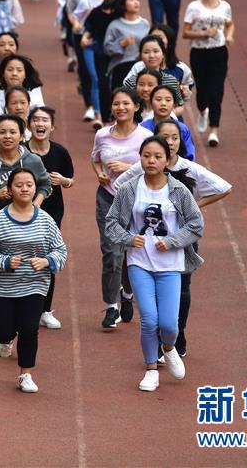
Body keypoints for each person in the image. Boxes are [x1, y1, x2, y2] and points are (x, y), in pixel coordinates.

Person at [114, 118, 231, 357]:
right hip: (144, 248)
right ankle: (154, 347)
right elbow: (119, 187)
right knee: (150, 305)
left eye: (175, 137)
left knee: (182, 289)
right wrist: (129, 226)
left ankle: (176, 336)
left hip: (180, 239)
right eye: (165, 137)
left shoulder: (187, 170)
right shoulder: (144, 166)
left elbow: (224, 187)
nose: (170, 141)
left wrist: (194, 207)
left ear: (180, 141)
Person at [105, 135, 204, 391]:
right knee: (149, 320)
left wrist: (172, 241)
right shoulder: (129, 189)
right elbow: (111, 221)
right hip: (139, 263)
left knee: (169, 324)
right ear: (140, 158)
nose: (151, 161)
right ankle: (151, 369)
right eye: (146, 155)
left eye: (157, 156)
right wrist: (128, 238)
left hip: (170, 265)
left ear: (167, 160)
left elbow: (196, 224)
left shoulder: (179, 191)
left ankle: (169, 348)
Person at [0, 168, 67, 392]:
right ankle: (2, 340)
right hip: (2, 287)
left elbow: (61, 250)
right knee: (4, 330)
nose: (25, 188)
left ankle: (25, 374)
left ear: (35, 188)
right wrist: (5, 261)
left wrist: (46, 261)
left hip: (34, 284)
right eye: (19, 185)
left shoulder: (45, 220)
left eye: (29, 184)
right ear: (9, 190)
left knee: (29, 329)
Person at [91, 87, 152, 329]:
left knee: (130, 252)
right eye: (116, 103)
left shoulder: (145, 136)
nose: (120, 108)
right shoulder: (102, 135)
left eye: (126, 103)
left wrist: (127, 167)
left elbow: (154, 166)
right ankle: (110, 306)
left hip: (136, 201)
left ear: (136, 106)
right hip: (107, 199)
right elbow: (95, 159)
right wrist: (100, 174)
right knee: (111, 252)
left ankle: (127, 294)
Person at [26, 105, 74, 330]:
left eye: (45, 120)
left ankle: (45, 310)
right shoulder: (22, 152)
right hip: (23, 211)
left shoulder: (60, 152)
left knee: (47, 258)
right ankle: (25, 307)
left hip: (53, 211)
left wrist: (63, 180)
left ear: (52, 126)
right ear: (29, 125)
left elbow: (70, 180)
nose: (40, 124)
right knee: (24, 256)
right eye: (35, 120)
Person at [0, 114, 51, 228]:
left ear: (21, 136)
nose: (7, 136)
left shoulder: (33, 161)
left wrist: (36, 204)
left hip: (29, 225)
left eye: (13, 132)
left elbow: (46, 184)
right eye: (2, 132)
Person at [183, 0, 234, 147]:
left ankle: (214, 130)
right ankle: (202, 110)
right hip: (199, 52)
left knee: (216, 90)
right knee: (202, 91)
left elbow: (230, 24)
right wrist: (203, 33)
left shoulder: (224, 6)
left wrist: (229, 36)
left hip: (219, 52)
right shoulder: (193, 7)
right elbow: (185, 33)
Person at [80, 0, 121, 127]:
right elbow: (89, 29)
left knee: (117, 85)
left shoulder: (121, 11)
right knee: (102, 83)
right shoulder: (96, 12)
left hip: (119, 54)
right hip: (100, 52)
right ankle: (104, 118)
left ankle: (118, 117)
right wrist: (85, 37)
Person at [104, 0, 150, 92]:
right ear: (123, 5)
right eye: (131, 0)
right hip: (121, 66)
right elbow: (107, 49)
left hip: (142, 66)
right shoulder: (115, 25)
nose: (136, 2)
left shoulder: (144, 23)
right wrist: (122, 44)